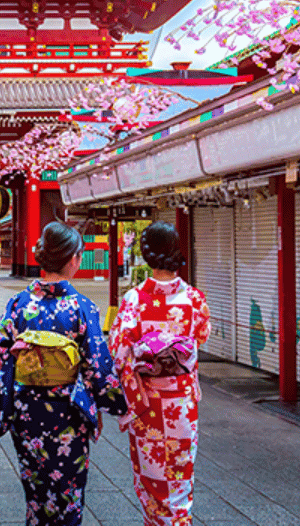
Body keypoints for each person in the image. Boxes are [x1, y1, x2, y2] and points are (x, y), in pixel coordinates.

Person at [0, 222, 127, 526]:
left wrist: (23, 372)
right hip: (67, 412)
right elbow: (97, 366)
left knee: (36, 491)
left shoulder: (19, 303)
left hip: (26, 410)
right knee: (67, 492)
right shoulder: (82, 307)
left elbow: (0, 352)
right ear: (73, 259)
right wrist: (114, 404)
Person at [108, 221, 210, 526]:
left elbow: (118, 350)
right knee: (180, 475)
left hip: (148, 403)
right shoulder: (194, 299)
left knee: (151, 477)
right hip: (181, 402)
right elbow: (201, 336)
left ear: (146, 253)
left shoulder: (135, 299)